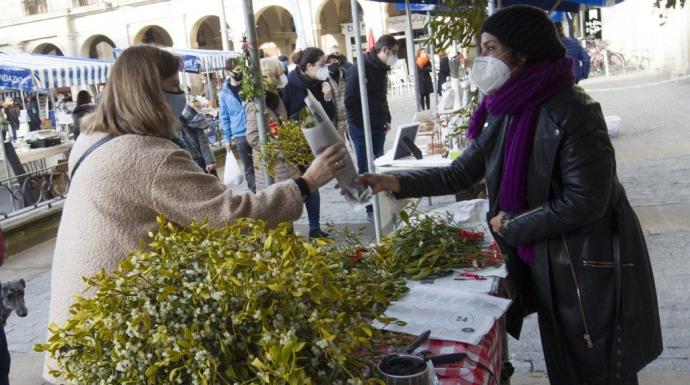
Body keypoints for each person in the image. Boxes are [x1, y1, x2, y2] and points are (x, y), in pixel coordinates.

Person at [357, 6, 661, 385]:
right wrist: (392, 183)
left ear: (523, 51)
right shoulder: (507, 108)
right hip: (550, 265)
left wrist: (513, 224)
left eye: (490, 47)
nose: (481, 59)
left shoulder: (574, 111)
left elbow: (586, 200)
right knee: (567, 367)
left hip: (586, 268)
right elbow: (462, 171)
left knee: (598, 370)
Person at [43, 45, 348, 383]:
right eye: (174, 86)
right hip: (113, 336)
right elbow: (227, 214)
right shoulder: (148, 156)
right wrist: (305, 183)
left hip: (76, 323)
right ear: (147, 93)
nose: (181, 96)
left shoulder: (90, 139)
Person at [282, 47, 335, 239]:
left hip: (317, 143)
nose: (325, 68)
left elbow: (331, 117)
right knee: (295, 186)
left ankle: (315, 227)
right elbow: (284, 116)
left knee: (314, 184)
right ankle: (286, 229)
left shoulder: (323, 82)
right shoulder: (290, 85)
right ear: (309, 66)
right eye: (321, 64)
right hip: (297, 144)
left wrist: (328, 98)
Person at [345, 34, 398, 222]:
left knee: (378, 164)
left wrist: (386, 117)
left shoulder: (382, 68)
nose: (395, 57)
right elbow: (349, 101)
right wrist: (360, 126)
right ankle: (369, 208)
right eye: (394, 52)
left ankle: (379, 203)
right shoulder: (360, 67)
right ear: (384, 50)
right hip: (361, 127)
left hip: (377, 124)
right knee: (364, 166)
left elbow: (382, 96)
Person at [246, 57, 299, 191]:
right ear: (271, 75)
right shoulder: (256, 103)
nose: (284, 76)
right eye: (280, 73)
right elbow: (253, 137)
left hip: (285, 162)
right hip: (271, 164)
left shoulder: (276, 97)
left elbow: (280, 123)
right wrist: (278, 150)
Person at [219, 58, 256, 193]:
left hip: (254, 128)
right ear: (229, 72)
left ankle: (267, 188)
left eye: (240, 69)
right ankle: (255, 192)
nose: (239, 72)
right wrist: (227, 138)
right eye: (236, 70)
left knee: (261, 162)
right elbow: (224, 116)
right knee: (248, 167)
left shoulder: (249, 86)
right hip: (240, 133)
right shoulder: (224, 92)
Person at [178, 104, 217, 173]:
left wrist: (209, 160)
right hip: (179, 164)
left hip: (197, 159)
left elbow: (201, 136)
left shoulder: (182, 107)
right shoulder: (156, 114)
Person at [326, 53, 348, 139]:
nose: (333, 63)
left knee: (355, 145)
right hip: (336, 120)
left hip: (349, 117)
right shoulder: (325, 79)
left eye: (334, 60)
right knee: (341, 146)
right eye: (329, 61)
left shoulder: (346, 74)